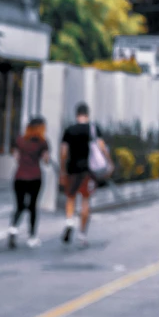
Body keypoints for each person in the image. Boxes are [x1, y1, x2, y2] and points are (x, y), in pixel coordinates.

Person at [7, 116, 51, 247]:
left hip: (19, 177)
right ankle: (32, 237)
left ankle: (13, 230)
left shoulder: (20, 140)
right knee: (32, 207)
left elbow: (16, 156)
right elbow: (46, 160)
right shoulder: (42, 142)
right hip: (35, 178)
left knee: (19, 206)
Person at [60, 101, 98, 247]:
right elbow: (100, 147)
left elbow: (64, 152)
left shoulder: (70, 129)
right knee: (85, 201)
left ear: (76, 114)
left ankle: (70, 221)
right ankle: (82, 234)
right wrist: (108, 162)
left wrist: (63, 170)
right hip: (87, 171)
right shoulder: (92, 129)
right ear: (87, 114)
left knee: (70, 197)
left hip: (72, 170)